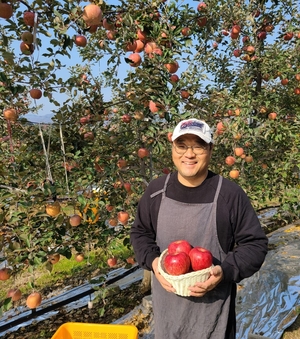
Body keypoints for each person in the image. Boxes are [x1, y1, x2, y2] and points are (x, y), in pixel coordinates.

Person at [130, 118, 268, 339]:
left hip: (214, 318)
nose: (189, 154)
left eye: (198, 145)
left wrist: (226, 271)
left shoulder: (230, 195)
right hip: (167, 317)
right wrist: (154, 262)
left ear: (210, 149)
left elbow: (255, 245)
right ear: (172, 148)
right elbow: (140, 233)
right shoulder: (156, 192)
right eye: (182, 145)